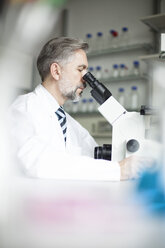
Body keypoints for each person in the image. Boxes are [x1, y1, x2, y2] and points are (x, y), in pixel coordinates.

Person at [7, 37, 146, 181]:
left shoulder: (69, 123)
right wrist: (117, 170)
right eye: (80, 70)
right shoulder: (23, 108)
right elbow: (37, 162)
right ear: (56, 71)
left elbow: (93, 156)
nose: (85, 79)